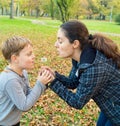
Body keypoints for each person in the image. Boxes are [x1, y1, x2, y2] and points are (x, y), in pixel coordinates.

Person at [43, 20, 120, 126]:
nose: (55, 45)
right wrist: (55, 76)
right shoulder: (80, 57)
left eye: (60, 41)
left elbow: (77, 102)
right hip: (110, 104)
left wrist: (53, 82)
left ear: (75, 44)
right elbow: (73, 82)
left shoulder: (92, 68)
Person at [0, 36, 53, 126]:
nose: (34, 56)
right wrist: (39, 84)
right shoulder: (11, 80)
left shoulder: (23, 72)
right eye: (29, 54)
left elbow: (28, 94)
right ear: (15, 58)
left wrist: (43, 82)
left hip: (14, 121)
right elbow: (24, 106)